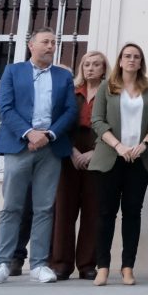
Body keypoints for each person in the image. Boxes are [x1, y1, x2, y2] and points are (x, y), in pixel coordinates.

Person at [0, 29, 76, 285]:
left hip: (50, 148)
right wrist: (29, 133)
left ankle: (39, 264)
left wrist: (49, 134)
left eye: (53, 43)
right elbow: (5, 108)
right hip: (19, 146)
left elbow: (70, 110)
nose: (50, 46)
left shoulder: (63, 76)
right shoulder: (13, 71)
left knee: (44, 208)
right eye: (45, 42)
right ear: (31, 46)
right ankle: (2, 263)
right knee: (11, 207)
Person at [90, 42, 148, 287]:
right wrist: (118, 146)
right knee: (106, 213)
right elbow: (97, 121)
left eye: (136, 57)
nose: (131, 60)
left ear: (141, 62)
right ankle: (102, 267)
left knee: (132, 213)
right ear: (120, 61)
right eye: (127, 56)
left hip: (138, 160)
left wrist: (145, 143)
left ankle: (128, 267)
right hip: (110, 158)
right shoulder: (106, 87)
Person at [50, 50, 106, 281]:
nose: (90, 68)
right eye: (86, 64)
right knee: (64, 208)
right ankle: (60, 263)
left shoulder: (110, 92)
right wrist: (71, 150)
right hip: (70, 150)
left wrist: (96, 151)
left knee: (93, 209)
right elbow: (58, 122)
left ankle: (87, 264)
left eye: (96, 64)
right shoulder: (71, 92)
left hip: (99, 149)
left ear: (104, 68)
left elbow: (115, 124)